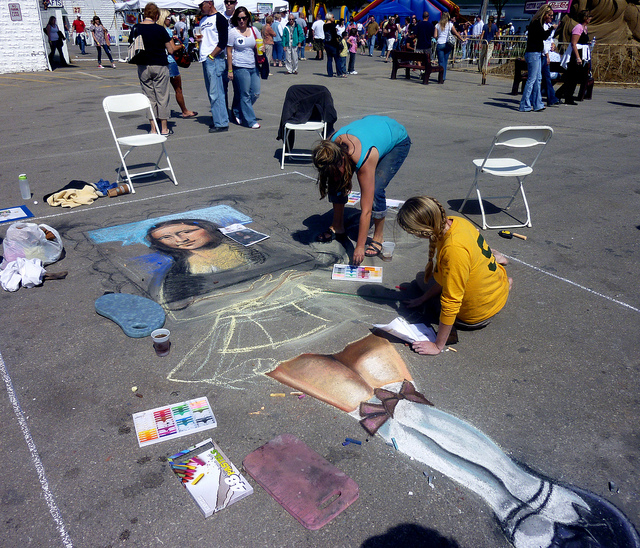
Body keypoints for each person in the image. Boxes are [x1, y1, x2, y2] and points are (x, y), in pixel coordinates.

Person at [397, 196, 511, 355]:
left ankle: (498, 274)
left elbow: (451, 301)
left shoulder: (453, 250)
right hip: (498, 291)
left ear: (421, 230)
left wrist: (437, 346)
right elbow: (447, 275)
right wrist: (423, 298)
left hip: (477, 316)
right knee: (428, 280)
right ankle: (503, 275)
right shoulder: (457, 221)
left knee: (422, 281)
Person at [312, 115, 411, 264]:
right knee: (335, 182)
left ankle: (378, 236)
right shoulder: (330, 150)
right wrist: (336, 178)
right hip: (371, 127)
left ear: (343, 160)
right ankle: (338, 226)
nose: (337, 176)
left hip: (396, 139)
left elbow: (366, 210)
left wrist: (359, 246)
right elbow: (335, 177)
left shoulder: (364, 157)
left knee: (376, 189)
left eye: (338, 172)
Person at [146, 219, 263, 304]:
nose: (181, 239)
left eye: (187, 231)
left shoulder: (239, 247)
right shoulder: (178, 270)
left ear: (207, 228)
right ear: (159, 244)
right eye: (165, 237)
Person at [130, 3, 180, 136]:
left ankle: (153, 129)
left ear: (145, 14)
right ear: (156, 15)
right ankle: (164, 128)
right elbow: (170, 50)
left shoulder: (136, 28)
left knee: (149, 98)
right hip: (159, 64)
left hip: (143, 65)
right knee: (162, 97)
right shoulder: (160, 29)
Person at [227, 6, 261, 129]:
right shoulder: (232, 32)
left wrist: (261, 49)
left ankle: (238, 110)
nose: (242, 21)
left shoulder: (253, 30)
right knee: (245, 94)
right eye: (239, 18)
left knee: (255, 92)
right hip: (239, 66)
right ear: (236, 19)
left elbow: (259, 44)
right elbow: (229, 51)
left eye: (244, 18)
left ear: (248, 18)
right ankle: (250, 120)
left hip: (253, 65)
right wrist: (230, 70)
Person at [197, 0, 229, 133]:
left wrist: (212, 56)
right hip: (205, 58)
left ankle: (221, 122)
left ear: (209, 3)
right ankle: (218, 117)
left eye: (201, 5)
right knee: (212, 92)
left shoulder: (220, 18)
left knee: (216, 92)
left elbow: (223, 41)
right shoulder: (203, 19)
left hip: (214, 59)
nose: (200, 8)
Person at [159, 10, 198, 119]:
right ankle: (184, 111)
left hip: (159, 62)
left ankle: (160, 113)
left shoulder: (156, 30)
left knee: (161, 90)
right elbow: (172, 49)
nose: (170, 20)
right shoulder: (166, 31)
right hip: (170, 62)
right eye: (168, 18)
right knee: (178, 89)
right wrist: (181, 46)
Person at [519, 4, 556, 112]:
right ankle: (524, 104)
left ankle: (537, 104)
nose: (551, 17)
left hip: (537, 53)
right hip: (533, 53)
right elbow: (543, 36)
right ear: (544, 14)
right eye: (550, 15)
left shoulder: (539, 24)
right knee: (531, 79)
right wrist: (551, 29)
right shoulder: (535, 23)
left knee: (537, 79)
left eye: (552, 15)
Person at [557, 10, 592, 105]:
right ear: (585, 17)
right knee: (572, 77)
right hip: (576, 54)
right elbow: (574, 43)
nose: (590, 18)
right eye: (589, 16)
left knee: (578, 77)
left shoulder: (585, 28)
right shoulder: (578, 27)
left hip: (583, 53)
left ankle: (565, 94)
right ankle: (563, 95)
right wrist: (577, 57)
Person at [434, 12, 464, 82]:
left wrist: (438, 37)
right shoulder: (450, 25)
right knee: (445, 61)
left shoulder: (437, 25)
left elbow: (435, 36)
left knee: (440, 62)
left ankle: (440, 77)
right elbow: (456, 33)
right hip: (447, 44)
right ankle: (443, 77)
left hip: (440, 43)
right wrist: (462, 39)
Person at [541, 33, 560, 106]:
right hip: (553, 73)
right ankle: (552, 97)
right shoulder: (557, 55)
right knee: (547, 78)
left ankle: (551, 98)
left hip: (547, 70)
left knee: (546, 79)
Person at [323, 13, 342, 77]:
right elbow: (334, 35)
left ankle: (330, 73)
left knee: (329, 59)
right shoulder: (332, 25)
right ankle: (339, 73)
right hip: (333, 44)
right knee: (337, 59)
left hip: (327, 43)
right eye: (333, 17)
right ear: (330, 18)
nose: (334, 18)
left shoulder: (324, 25)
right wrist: (338, 44)